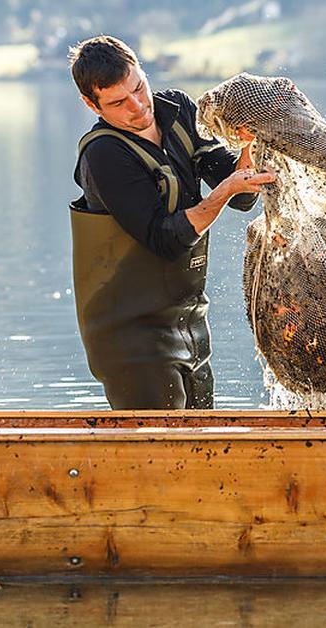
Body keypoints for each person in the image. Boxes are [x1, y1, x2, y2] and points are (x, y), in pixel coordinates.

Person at [67, 36, 275, 409]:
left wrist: (248, 147)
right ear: (90, 104)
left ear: (142, 72)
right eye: (118, 102)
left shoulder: (177, 109)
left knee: (204, 441)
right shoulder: (103, 155)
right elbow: (165, 239)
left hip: (190, 319)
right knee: (161, 452)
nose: (138, 106)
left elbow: (242, 195)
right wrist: (221, 193)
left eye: (138, 88)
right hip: (129, 334)